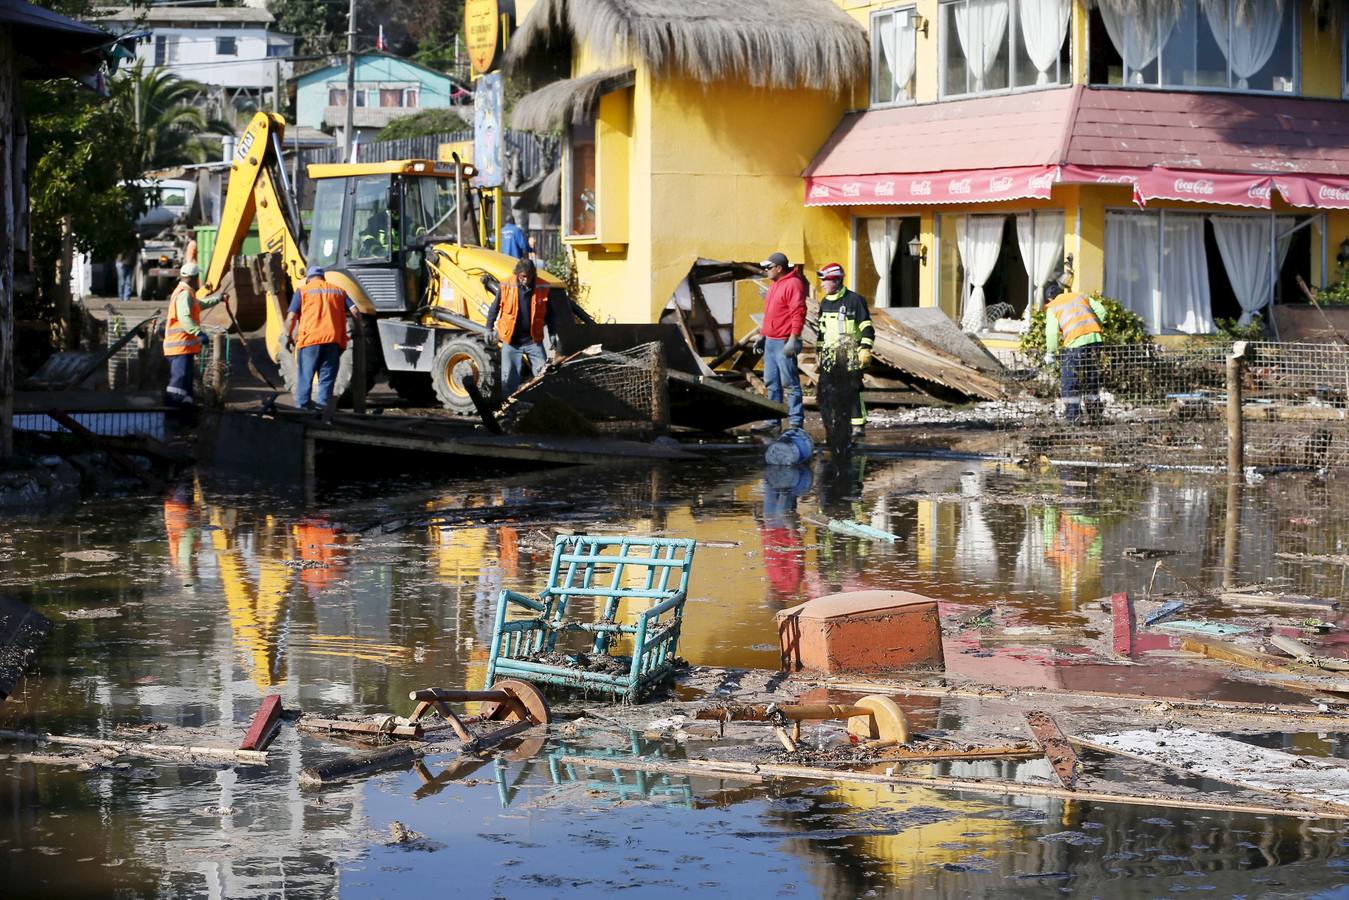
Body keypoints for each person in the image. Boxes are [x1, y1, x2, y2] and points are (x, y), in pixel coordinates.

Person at [815, 262, 875, 445]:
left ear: (836, 280)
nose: (822, 284)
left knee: (852, 390)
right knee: (827, 393)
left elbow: (866, 326)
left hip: (849, 352)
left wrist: (864, 348)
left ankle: (858, 426)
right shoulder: (825, 303)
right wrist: (819, 352)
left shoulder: (854, 300)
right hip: (829, 355)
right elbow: (821, 331)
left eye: (825, 280)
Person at [284, 265, 356, 411]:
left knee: (305, 378)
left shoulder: (303, 291)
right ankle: (321, 414)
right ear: (323, 277)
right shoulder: (338, 291)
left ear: (308, 279)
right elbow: (355, 311)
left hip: (310, 341)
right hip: (333, 342)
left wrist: (287, 336)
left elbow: (291, 317)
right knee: (326, 380)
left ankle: (302, 411)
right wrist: (359, 331)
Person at [485, 257, 555, 398]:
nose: (526, 279)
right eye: (523, 276)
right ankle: (509, 412)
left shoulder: (542, 287)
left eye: (528, 276)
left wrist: (553, 333)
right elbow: (494, 309)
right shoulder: (506, 285)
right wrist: (488, 328)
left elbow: (550, 314)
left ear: (533, 274)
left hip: (533, 341)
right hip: (511, 342)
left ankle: (542, 406)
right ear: (517, 274)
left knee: (544, 375)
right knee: (508, 381)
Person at [755, 251, 807, 434]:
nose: (766, 271)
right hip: (770, 341)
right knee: (771, 382)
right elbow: (770, 313)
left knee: (790, 382)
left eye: (768, 267)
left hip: (783, 341)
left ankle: (795, 421)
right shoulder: (775, 285)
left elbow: (798, 312)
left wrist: (794, 338)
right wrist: (762, 335)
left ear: (779, 268)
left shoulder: (793, 284)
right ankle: (772, 420)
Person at [1044, 279, 1106, 423]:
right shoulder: (1080, 296)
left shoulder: (1053, 306)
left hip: (1075, 344)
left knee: (1070, 380)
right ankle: (1096, 415)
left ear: (1049, 299)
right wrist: (1092, 327)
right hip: (1095, 340)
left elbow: (1052, 333)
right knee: (1091, 378)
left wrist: (1050, 353)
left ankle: (1073, 418)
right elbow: (1102, 310)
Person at [162, 261, 222, 409]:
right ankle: (172, 412)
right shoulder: (184, 294)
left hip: (183, 349)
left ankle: (186, 415)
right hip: (179, 348)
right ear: (194, 278)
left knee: (186, 383)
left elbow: (199, 304)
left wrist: (219, 298)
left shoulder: (186, 293)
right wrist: (198, 333)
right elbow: (185, 318)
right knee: (179, 382)